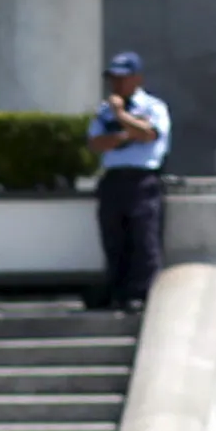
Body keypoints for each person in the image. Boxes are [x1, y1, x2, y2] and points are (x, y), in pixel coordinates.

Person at [89, 50, 171, 313]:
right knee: (114, 237)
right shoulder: (104, 111)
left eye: (122, 78)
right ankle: (117, 291)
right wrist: (128, 133)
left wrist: (122, 117)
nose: (116, 84)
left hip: (142, 180)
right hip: (113, 180)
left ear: (136, 79)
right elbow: (97, 142)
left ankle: (141, 294)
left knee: (143, 238)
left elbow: (149, 134)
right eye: (112, 78)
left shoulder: (153, 107)